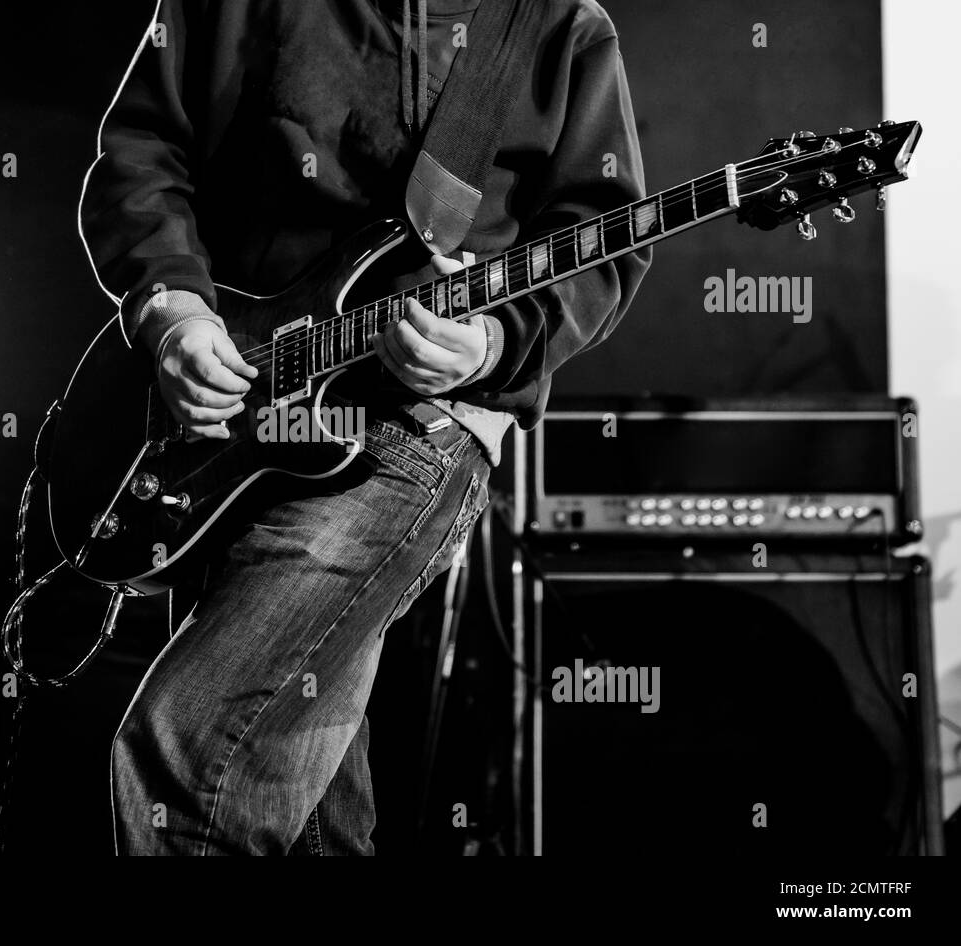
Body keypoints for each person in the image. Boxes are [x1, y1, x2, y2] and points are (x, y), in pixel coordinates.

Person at [80, 0, 650, 854]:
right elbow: (140, 152)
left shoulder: (555, 24)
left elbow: (602, 239)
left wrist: (492, 340)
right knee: (311, 816)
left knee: (188, 751)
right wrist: (175, 313)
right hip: (236, 429)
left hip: (416, 426)